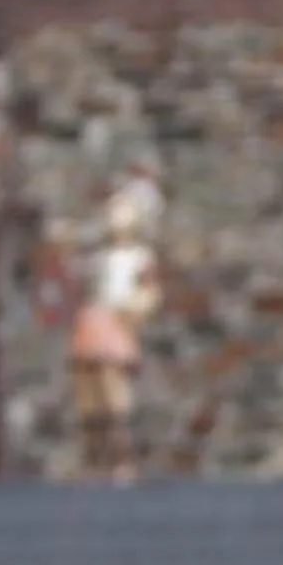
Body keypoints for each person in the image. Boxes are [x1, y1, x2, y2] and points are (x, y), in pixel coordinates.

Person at [68, 166, 163, 477]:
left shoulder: (139, 257)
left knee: (113, 390)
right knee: (88, 392)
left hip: (115, 322)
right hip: (93, 322)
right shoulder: (97, 258)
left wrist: (133, 308)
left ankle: (122, 458)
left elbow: (149, 292)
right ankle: (93, 458)